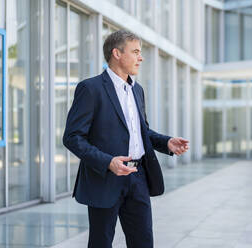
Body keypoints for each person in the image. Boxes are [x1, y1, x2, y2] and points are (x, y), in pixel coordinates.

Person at [63, 30, 189, 248]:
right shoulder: (90, 88)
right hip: (104, 179)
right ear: (117, 54)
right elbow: (72, 137)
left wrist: (166, 142)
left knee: (143, 242)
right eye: (136, 52)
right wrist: (107, 162)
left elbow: (141, 132)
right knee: (100, 243)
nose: (141, 57)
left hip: (137, 177)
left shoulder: (137, 90)